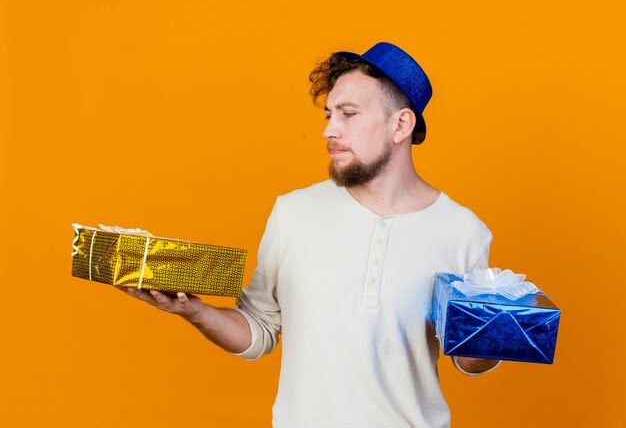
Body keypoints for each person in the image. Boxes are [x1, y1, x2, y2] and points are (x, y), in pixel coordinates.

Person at [120, 42, 500, 428]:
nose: (329, 130)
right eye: (329, 114)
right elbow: (260, 329)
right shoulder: (293, 213)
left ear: (400, 125)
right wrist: (193, 311)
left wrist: (496, 333)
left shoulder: (464, 231)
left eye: (348, 114)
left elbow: (468, 360)